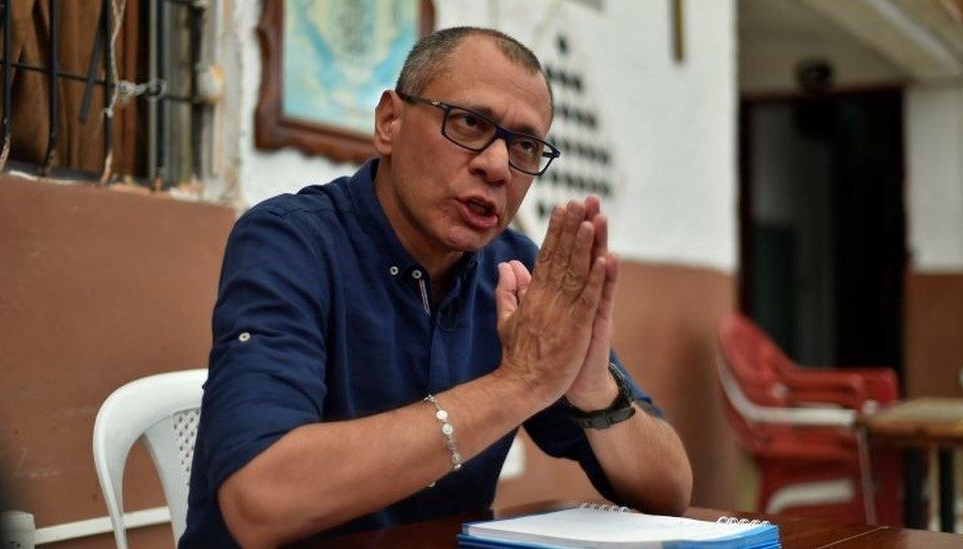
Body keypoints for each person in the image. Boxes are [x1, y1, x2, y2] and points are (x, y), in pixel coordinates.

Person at [181, 27, 692, 548]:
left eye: (524, 145)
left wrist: (593, 392)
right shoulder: (291, 241)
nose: (496, 166)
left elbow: (669, 491)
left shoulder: (516, 270)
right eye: (469, 123)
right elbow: (261, 500)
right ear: (389, 123)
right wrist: (520, 383)